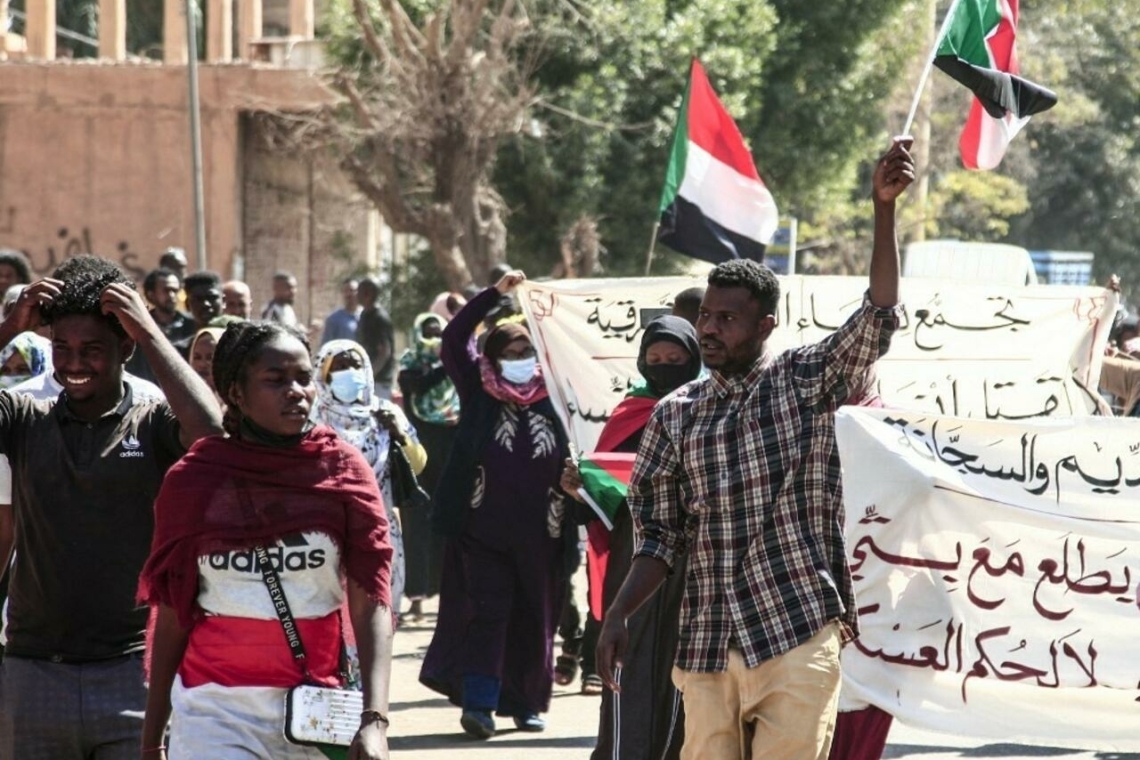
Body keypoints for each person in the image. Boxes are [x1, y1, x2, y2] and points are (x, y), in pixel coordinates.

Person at [596, 139, 914, 760]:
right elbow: (659, 537)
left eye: (727, 319)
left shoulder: (805, 380)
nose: (710, 329)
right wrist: (618, 616)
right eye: (706, 317)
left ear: (765, 324)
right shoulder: (675, 416)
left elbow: (877, 316)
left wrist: (883, 212)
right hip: (706, 646)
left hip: (795, 630)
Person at [0, 255, 223, 759]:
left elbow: (213, 434)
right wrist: (10, 327)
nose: (74, 364)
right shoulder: (22, 417)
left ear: (124, 348)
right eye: (62, 348)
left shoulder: (152, 423)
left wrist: (150, 332)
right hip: (33, 672)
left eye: (92, 350)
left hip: (131, 673)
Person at [137, 322, 393, 760]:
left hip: (317, 713)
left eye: (304, 378)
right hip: (212, 715)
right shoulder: (196, 482)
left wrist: (374, 721)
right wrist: (152, 737)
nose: (297, 391)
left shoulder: (343, 471)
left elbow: (371, 600)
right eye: (276, 380)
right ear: (235, 392)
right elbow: (174, 610)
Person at [420, 270, 575, 739]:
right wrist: (493, 296)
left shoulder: (559, 392)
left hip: (543, 531)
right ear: (491, 359)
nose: (519, 361)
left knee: (535, 614)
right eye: (508, 354)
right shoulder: (479, 388)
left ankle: (528, 704)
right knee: (487, 612)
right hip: (481, 530)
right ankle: (481, 704)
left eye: (526, 352)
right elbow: (453, 339)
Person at [559, 316, 702, 756]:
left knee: (686, 669)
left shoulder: (712, 409)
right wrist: (579, 488)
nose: (664, 367)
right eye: (655, 359)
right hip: (635, 558)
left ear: (693, 360)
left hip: (696, 562)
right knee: (629, 664)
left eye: (674, 359)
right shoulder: (629, 413)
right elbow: (606, 499)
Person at [312, 338, 427, 616]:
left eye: (355, 365)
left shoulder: (385, 412)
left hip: (380, 527)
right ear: (324, 373)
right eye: (340, 366)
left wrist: (399, 434)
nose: (349, 372)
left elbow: (419, 464)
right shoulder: (312, 417)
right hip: (328, 530)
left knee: (378, 609)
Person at [396, 313, 460, 621]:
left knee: (450, 526)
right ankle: (417, 598)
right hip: (419, 458)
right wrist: (445, 363)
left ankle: (450, 596)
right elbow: (417, 388)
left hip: (450, 455)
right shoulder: (410, 367)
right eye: (429, 331)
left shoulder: (458, 369)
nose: (434, 336)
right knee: (417, 528)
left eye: (440, 332)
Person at [128, 268, 196, 382]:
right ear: (151, 295)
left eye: (175, 290)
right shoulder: (139, 325)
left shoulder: (191, 325)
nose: (172, 295)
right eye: (167, 290)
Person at [356, 278, 396, 400]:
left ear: (368, 294)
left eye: (360, 292)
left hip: (379, 381)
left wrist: (370, 375)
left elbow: (384, 351)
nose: (357, 295)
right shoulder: (364, 315)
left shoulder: (379, 318)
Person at [321, 279, 362, 346]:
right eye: (346, 291)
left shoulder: (367, 317)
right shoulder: (334, 319)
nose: (349, 294)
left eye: (352, 290)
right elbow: (327, 346)